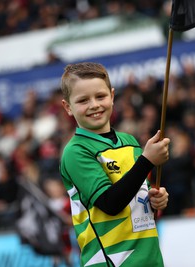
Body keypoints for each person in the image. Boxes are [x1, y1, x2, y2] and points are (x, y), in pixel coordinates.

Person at [59, 62, 170, 266]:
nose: (94, 105)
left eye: (100, 96)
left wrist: (156, 201)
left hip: (151, 260)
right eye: (83, 100)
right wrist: (146, 161)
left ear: (112, 96)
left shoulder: (130, 142)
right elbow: (111, 204)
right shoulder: (75, 151)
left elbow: (137, 204)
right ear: (68, 107)